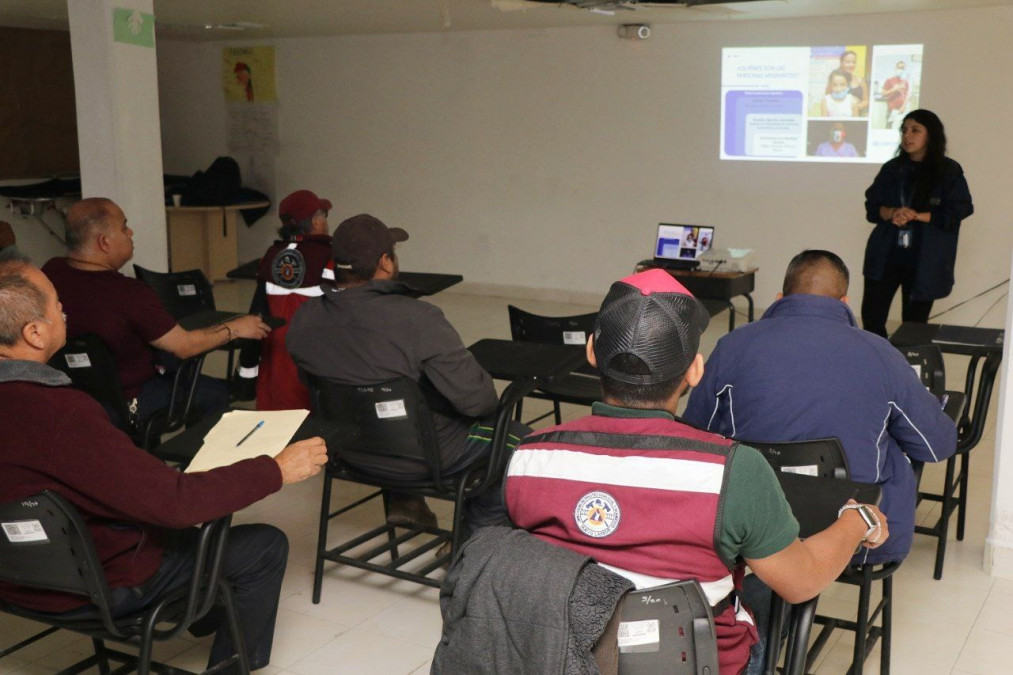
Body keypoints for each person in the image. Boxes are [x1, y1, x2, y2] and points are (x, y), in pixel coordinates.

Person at [505, 268, 890, 675]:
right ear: (694, 370)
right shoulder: (731, 470)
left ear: (591, 352)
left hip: (562, 657)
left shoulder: (529, 456)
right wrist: (857, 519)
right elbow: (801, 582)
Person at [0, 256, 329, 672]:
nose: (66, 312)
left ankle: (206, 608)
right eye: (58, 307)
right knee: (262, 545)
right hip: (97, 589)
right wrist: (276, 469)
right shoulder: (61, 413)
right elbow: (175, 505)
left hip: (13, 580)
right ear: (34, 332)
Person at [684, 250, 955, 567]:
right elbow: (935, 446)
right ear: (844, 302)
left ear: (780, 297)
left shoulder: (733, 345)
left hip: (747, 527)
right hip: (850, 534)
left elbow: (693, 437)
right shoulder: (881, 354)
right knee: (892, 436)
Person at [287, 213, 530, 533]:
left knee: (385, 409)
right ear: (386, 262)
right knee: (523, 446)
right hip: (426, 456)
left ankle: (407, 502)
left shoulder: (305, 319)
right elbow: (479, 402)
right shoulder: (418, 318)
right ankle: (473, 541)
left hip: (348, 452)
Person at [41, 198, 271, 426]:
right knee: (216, 395)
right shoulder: (128, 292)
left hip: (73, 396)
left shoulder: (50, 272)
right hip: (130, 400)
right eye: (124, 227)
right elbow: (184, 346)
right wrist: (235, 328)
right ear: (104, 243)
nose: (130, 232)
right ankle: (204, 461)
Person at [861, 110, 974, 337]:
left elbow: (961, 209)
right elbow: (872, 207)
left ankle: (907, 369)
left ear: (930, 135)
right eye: (904, 130)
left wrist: (917, 216)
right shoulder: (892, 169)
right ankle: (880, 364)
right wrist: (893, 212)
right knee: (872, 317)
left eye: (915, 130)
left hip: (924, 260)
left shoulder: (948, 171)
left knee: (914, 328)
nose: (907, 136)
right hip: (886, 255)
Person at [234, 189, 334, 410]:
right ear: (316, 221)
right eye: (324, 216)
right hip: (313, 384)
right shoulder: (328, 258)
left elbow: (255, 320)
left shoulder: (270, 257)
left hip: (273, 383)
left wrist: (246, 378)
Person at [838, 50, 870, 114]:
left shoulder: (861, 81)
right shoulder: (834, 80)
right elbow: (828, 100)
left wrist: (858, 106)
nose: (851, 65)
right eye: (847, 62)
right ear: (841, 63)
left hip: (856, 118)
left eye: (854, 62)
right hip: (838, 118)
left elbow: (866, 100)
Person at [882, 61, 911, 128]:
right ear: (895, 68)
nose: (900, 70)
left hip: (902, 110)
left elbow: (907, 95)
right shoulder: (889, 80)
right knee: (889, 127)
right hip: (891, 110)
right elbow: (883, 93)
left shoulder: (905, 82)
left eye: (902, 68)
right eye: (899, 68)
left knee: (901, 129)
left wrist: (903, 106)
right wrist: (894, 89)